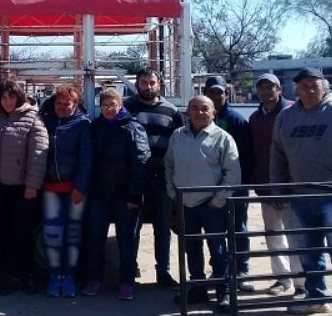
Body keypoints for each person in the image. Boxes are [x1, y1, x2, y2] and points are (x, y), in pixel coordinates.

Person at [270, 67, 332, 315]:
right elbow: (277, 156)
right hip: (300, 196)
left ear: (324, 87)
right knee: (308, 252)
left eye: (314, 85)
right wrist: (277, 190)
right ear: (296, 89)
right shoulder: (285, 117)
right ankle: (316, 297)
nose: (309, 89)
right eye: (303, 85)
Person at [165, 95, 240, 313]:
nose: (199, 112)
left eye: (204, 108)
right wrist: (173, 193)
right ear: (187, 112)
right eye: (194, 108)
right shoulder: (177, 136)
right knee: (192, 249)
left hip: (212, 206)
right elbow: (169, 166)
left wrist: (218, 201)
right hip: (185, 204)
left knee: (217, 250)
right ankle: (197, 288)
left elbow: (233, 173)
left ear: (213, 112)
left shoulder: (223, 138)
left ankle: (222, 290)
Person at [84, 88, 149, 300]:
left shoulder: (132, 127)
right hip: (99, 193)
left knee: (127, 240)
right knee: (95, 238)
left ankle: (126, 282)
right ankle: (94, 279)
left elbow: (141, 160)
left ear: (120, 105)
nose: (108, 109)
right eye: (104, 105)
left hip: (124, 194)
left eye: (112, 105)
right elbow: (88, 160)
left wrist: (134, 194)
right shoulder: (95, 127)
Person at [0, 80, 49, 296]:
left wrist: (32, 185)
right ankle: (10, 277)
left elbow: (39, 154)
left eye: (12, 97)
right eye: (3, 97)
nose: (7, 101)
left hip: (22, 188)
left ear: (19, 97)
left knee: (23, 234)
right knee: (5, 234)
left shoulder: (32, 117)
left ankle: (27, 276)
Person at [123, 67, 184, 287]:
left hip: (162, 179)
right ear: (136, 84)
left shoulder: (171, 111)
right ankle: (129, 272)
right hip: (134, 180)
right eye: (143, 83)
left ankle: (163, 273)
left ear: (159, 84)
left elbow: (179, 144)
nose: (148, 87)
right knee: (132, 228)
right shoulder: (126, 108)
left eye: (152, 83)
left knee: (162, 227)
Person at [247, 73, 305, 298]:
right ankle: (283, 278)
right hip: (265, 185)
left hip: (291, 186)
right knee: (273, 234)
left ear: (279, 89)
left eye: (269, 87)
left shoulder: (293, 112)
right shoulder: (255, 117)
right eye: (261, 88)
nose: (265, 91)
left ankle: (302, 282)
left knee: (295, 236)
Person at [204, 75, 255, 292]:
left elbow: (248, 156)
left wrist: (240, 184)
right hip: (209, 186)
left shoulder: (236, 120)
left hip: (235, 186)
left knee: (238, 229)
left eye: (219, 92)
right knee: (214, 231)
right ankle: (219, 270)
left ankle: (241, 270)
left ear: (226, 94)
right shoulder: (201, 118)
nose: (216, 96)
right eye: (211, 92)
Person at [39, 86, 92, 298]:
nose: (61, 108)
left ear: (75, 105)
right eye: (58, 104)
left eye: (66, 104)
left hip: (75, 189)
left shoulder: (82, 124)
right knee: (52, 234)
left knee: (73, 233)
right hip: (50, 187)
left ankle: (69, 275)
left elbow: (86, 158)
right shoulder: (44, 120)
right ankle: (54, 275)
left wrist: (80, 186)